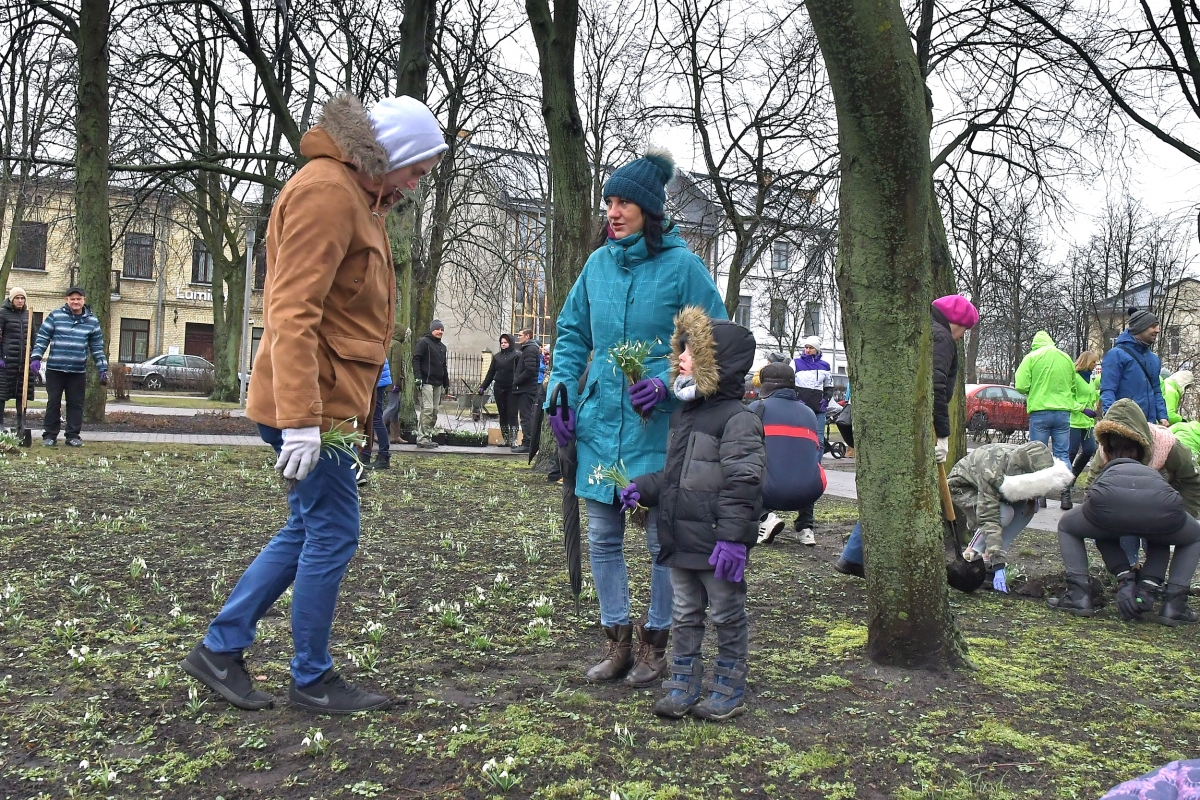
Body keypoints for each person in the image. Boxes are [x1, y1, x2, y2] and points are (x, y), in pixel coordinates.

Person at [181, 93, 446, 713]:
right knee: (333, 531)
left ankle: (221, 648)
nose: (417, 183)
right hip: (313, 407)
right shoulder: (328, 192)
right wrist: (302, 421)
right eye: (417, 169)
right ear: (392, 153)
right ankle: (311, 678)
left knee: (309, 527)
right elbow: (292, 311)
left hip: (327, 404)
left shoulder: (359, 197)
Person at [544, 147, 727, 688]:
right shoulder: (597, 265)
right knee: (602, 535)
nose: (614, 212)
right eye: (609, 202)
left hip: (658, 428)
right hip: (601, 420)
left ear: (650, 210)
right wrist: (560, 392)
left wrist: (670, 384)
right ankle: (616, 640)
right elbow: (571, 333)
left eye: (624, 202)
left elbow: (715, 339)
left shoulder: (683, 267)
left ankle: (656, 644)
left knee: (657, 540)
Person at [617, 309, 763, 721]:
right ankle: (683, 684)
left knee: (727, 614)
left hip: (717, 545)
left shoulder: (739, 420)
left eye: (691, 351)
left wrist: (733, 539)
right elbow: (676, 474)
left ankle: (729, 688)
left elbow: (745, 483)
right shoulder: (685, 413)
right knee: (683, 615)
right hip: (681, 539)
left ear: (717, 361)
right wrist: (644, 487)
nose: (680, 357)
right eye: (681, 349)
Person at [835, 294, 979, 577]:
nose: (962, 337)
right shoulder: (941, 337)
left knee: (888, 489)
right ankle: (860, 558)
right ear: (955, 322)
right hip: (910, 427)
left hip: (889, 421)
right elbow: (935, 387)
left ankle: (854, 556)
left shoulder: (917, 327)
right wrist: (943, 436)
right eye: (964, 329)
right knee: (898, 491)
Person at [1049, 419, 1200, 624]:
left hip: (1108, 507)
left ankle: (1079, 595)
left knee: (1070, 525)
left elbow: (1097, 521)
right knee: (1182, 534)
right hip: (1162, 509)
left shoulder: (1104, 469)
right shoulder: (1154, 469)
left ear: (1108, 453)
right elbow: (1164, 531)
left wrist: (1123, 576)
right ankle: (1174, 605)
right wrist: (1149, 583)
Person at [1081, 398, 1200, 580]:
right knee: (1119, 528)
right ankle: (1128, 572)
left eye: (1128, 449)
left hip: (1163, 502)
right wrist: (1098, 519)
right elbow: (1092, 487)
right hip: (1122, 499)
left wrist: (1181, 516)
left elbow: (1192, 481)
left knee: (1159, 537)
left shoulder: (1170, 448)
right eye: (1115, 448)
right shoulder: (1105, 453)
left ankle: (1153, 582)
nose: (1121, 454)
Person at [947, 441, 1074, 592]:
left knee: (1029, 508)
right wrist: (999, 564)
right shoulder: (993, 472)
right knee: (1004, 513)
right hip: (964, 487)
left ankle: (989, 557)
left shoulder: (1032, 458)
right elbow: (989, 518)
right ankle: (970, 553)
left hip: (996, 488)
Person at [748, 361, 825, 546]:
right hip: (810, 492)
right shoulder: (809, 413)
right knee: (809, 466)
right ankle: (805, 527)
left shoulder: (756, 408)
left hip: (771, 493)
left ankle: (765, 517)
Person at [29, 286, 108, 447]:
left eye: (78, 299)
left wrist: (102, 367)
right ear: (67, 300)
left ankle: (73, 436)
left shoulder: (92, 322)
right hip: (55, 369)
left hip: (77, 371)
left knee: (76, 404)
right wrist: (36, 357)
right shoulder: (55, 316)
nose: (75, 302)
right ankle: (49, 436)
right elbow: (43, 338)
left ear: (84, 300)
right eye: (72, 299)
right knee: (53, 403)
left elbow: (97, 347)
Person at [1015, 331, 1081, 470]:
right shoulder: (1066, 358)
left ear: (1035, 344)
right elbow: (1073, 386)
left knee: (1038, 455)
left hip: (1040, 411)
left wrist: (1033, 390)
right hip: (1063, 412)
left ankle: (1040, 484)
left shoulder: (1031, 357)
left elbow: (1021, 386)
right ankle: (1066, 483)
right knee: (1062, 454)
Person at [1100, 307, 1169, 426]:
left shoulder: (1153, 359)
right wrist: (1111, 420)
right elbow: (1108, 390)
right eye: (1153, 326)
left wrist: (1162, 416)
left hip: (1149, 426)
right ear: (1140, 327)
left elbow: (1156, 391)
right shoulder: (1116, 355)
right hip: (1124, 425)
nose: (1158, 330)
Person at [1063, 351, 1101, 510]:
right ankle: (1064, 487)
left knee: (1089, 450)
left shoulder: (1090, 379)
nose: (1095, 365)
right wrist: (1082, 409)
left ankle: (1072, 478)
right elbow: (1068, 398)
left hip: (1087, 423)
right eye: (1093, 362)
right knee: (1071, 452)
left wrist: (1098, 397)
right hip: (1074, 421)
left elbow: (1090, 396)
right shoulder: (1075, 377)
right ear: (1086, 362)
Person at [412, 320, 450, 449]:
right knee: (427, 409)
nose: (440, 331)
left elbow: (444, 366)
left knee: (435, 411)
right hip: (426, 381)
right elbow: (416, 359)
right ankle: (422, 438)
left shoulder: (442, 347)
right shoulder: (424, 343)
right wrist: (418, 377)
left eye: (442, 329)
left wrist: (446, 383)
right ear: (432, 330)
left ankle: (427, 436)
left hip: (437, 382)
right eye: (438, 329)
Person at [478, 333, 519, 447]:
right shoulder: (496, 357)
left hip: (512, 388)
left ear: (510, 343)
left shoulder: (516, 356)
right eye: (502, 343)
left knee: (512, 413)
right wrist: (483, 387)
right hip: (499, 388)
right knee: (503, 413)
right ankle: (506, 439)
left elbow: (520, 372)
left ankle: (514, 440)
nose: (503, 344)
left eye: (506, 342)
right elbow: (491, 373)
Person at [0, 287, 34, 420]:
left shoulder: (28, 314)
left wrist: (34, 356)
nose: (20, 301)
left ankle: (21, 424)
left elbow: (34, 336)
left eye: (22, 298)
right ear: (11, 299)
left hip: (24, 362)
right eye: (17, 298)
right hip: (7, 361)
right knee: (2, 393)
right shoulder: (3, 314)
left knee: (22, 393)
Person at [793, 336, 832, 450]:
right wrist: (795, 398)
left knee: (819, 441)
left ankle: (817, 461)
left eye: (811, 348)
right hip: (801, 407)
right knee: (801, 438)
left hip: (818, 407)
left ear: (817, 349)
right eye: (806, 347)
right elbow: (789, 383)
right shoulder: (796, 363)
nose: (808, 350)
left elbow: (829, 386)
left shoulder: (825, 366)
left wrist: (826, 399)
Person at [510, 328, 542, 454]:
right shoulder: (529, 349)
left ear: (527, 336)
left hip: (526, 388)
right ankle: (527, 442)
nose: (518, 337)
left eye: (520, 335)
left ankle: (527, 443)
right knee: (526, 415)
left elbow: (529, 369)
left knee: (526, 416)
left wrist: (517, 380)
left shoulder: (530, 349)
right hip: (527, 387)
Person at [363, 358, 392, 470]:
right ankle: (365, 453)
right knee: (368, 418)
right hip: (374, 376)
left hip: (376, 378)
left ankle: (384, 456)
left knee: (375, 418)